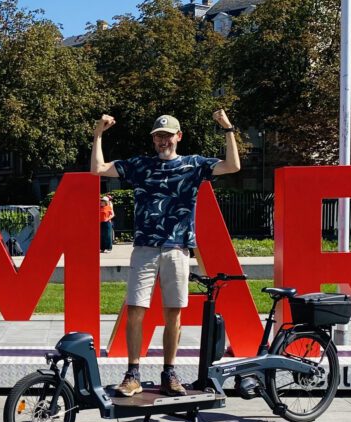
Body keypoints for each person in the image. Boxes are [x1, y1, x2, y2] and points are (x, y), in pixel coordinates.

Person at [90, 110, 240, 396]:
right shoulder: (140, 165)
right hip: (145, 248)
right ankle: (132, 375)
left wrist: (228, 128)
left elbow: (232, 166)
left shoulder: (193, 165)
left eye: (168, 135)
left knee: (173, 313)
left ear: (178, 137)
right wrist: (98, 134)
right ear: (153, 139)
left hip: (177, 248)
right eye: (158, 136)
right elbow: (98, 168)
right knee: (136, 309)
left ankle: (169, 373)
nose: (163, 140)